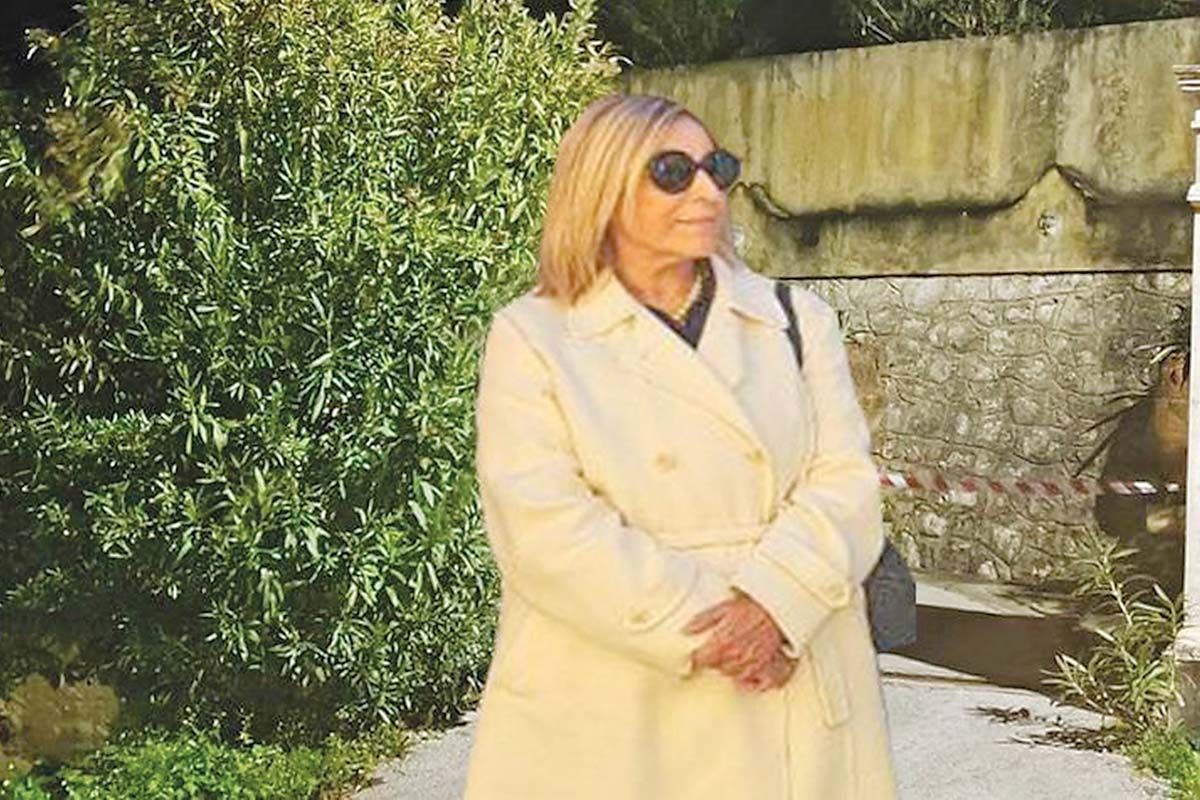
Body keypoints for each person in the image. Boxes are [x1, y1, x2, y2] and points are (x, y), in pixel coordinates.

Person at [463, 93, 899, 799]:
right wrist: (721, 631)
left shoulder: (796, 321)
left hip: (787, 679)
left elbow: (845, 484)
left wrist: (775, 607)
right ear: (601, 186)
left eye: (716, 168)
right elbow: (544, 527)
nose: (706, 192)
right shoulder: (535, 338)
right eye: (672, 172)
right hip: (617, 692)